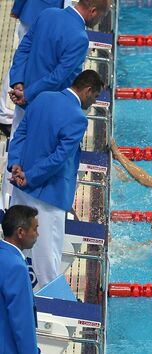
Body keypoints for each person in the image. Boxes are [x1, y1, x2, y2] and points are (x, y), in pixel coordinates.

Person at [4, 0, 110, 198]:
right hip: (49, 109)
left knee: (16, 153)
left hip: (24, 100)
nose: (100, 20)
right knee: (39, 165)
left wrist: (19, 83)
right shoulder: (79, 37)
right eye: (102, 16)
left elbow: (23, 48)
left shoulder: (48, 14)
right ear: (93, 11)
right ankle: (24, 218)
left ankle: (7, 208)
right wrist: (29, 94)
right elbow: (58, 76)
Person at [7, 69, 103, 289]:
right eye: (95, 97)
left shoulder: (43, 98)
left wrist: (15, 165)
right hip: (48, 195)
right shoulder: (77, 117)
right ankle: (50, 307)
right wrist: (30, 176)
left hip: (21, 187)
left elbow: (20, 133)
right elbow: (59, 158)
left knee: (16, 248)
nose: (93, 102)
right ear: (88, 91)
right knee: (48, 262)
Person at [0, 0, 64, 135]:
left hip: (45, 14)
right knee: (21, 62)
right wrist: (18, 8)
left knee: (24, 61)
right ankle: (4, 113)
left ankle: (7, 111)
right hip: (38, 14)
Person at [0, 205, 40, 354]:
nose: (37, 234)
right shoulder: (16, 267)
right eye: (35, 229)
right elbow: (22, 323)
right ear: (20, 232)